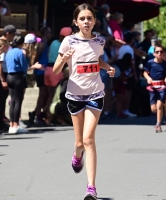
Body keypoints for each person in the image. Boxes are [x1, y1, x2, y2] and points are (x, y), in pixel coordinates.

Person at [53, 3, 115, 199]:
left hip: (95, 93)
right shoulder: (68, 41)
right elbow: (55, 70)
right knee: (79, 142)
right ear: (76, 22)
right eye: (82, 19)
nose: (86, 21)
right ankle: (76, 155)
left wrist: (107, 67)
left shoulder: (99, 41)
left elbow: (96, 61)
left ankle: (91, 188)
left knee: (89, 139)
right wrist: (64, 59)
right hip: (74, 95)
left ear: (95, 21)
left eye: (89, 18)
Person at [43, 27, 72, 125]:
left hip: (48, 69)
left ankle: (45, 115)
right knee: (56, 95)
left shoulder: (53, 42)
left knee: (49, 95)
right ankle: (52, 117)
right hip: (57, 70)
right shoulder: (64, 45)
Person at [0, 25, 19, 131]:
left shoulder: (7, 43)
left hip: (5, 72)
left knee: (3, 99)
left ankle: (0, 120)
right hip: (1, 74)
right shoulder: (2, 43)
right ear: (7, 33)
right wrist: (3, 80)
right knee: (1, 99)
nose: (13, 37)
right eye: (13, 34)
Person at [143, 45, 166, 133]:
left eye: (161, 52)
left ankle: (158, 124)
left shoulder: (165, 64)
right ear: (154, 53)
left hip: (162, 86)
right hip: (152, 87)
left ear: (163, 54)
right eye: (157, 52)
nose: (159, 53)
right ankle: (158, 119)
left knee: (159, 106)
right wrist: (148, 78)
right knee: (153, 108)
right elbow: (145, 73)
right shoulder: (150, 63)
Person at [30, 26, 52, 125]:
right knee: (42, 93)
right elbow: (37, 57)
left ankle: (37, 112)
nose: (50, 34)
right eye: (49, 32)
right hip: (40, 71)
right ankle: (37, 113)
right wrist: (35, 69)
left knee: (45, 93)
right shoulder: (42, 44)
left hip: (45, 71)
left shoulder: (46, 44)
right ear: (45, 33)